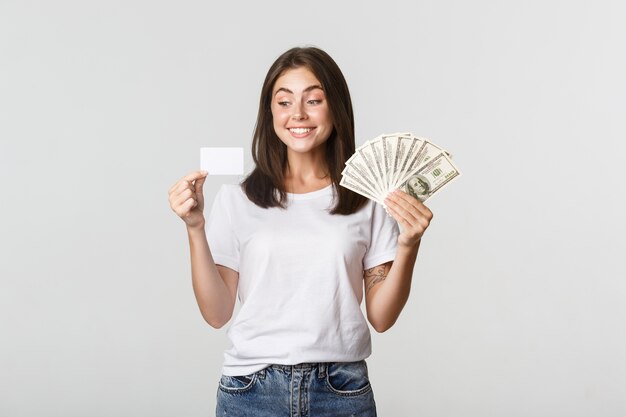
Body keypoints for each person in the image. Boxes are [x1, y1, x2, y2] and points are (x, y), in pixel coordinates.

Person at [167, 46, 433, 417]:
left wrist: (409, 245)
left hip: (342, 390)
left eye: (314, 99)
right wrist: (195, 228)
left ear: (335, 108)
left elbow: (382, 318)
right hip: (251, 390)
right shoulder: (237, 199)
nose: (298, 114)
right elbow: (216, 313)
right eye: (284, 102)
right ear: (270, 112)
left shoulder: (368, 201)